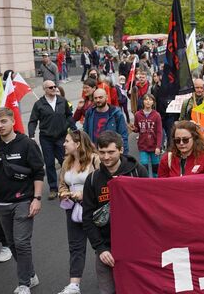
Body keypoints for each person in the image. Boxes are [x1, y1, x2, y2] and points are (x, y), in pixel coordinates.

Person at [0, 107, 44, 294]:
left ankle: (23, 284)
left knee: (21, 242)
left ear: (12, 121)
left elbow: (38, 172)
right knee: (12, 244)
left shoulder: (26, 144)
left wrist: (36, 198)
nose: (0, 126)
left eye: (3, 121)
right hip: (0, 202)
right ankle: (31, 274)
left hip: (23, 200)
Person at [82, 131, 147, 294]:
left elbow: (150, 209)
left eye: (111, 152)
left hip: (136, 246)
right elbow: (88, 218)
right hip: (106, 248)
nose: (106, 157)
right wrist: (100, 248)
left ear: (121, 150)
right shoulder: (92, 180)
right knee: (108, 291)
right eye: (102, 152)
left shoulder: (138, 172)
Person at [56, 131, 101, 294]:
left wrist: (84, 195)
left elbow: (103, 184)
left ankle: (110, 278)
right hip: (73, 209)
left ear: (78, 144)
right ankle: (74, 285)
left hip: (94, 209)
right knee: (75, 246)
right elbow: (62, 184)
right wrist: (63, 193)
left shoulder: (95, 160)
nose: (63, 144)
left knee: (100, 245)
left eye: (67, 141)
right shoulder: (66, 161)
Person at [28, 80, 76, 200]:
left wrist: (73, 129)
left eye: (55, 86)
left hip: (61, 137)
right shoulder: (39, 104)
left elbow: (69, 115)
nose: (54, 88)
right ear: (44, 89)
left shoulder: (62, 101)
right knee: (49, 163)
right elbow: (33, 121)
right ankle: (53, 188)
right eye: (50, 87)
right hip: (46, 138)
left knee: (64, 161)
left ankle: (67, 184)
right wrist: (31, 135)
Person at [83, 89, 129, 154]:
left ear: (106, 97)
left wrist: (124, 155)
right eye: (95, 98)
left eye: (100, 97)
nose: (98, 100)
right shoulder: (90, 113)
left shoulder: (116, 114)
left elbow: (123, 135)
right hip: (94, 153)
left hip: (111, 154)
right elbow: (85, 133)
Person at [132, 93, 162, 177]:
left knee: (155, 167)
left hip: (154, 145)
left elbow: (159, 132)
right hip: (143, 145)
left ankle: (156, 184)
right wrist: (134, 129)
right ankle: (146, 183)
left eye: (150, 99)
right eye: (146, 99)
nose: (148, 101)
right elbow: (137, 129)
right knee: (144, 166)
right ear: (143, 102)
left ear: (153, 102)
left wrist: (158, 147)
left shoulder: (156, 115)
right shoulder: (138, 114)